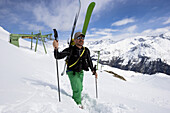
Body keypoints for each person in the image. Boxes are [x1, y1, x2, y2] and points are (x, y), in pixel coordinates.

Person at [53, 32, 98, 108]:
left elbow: (89, 61)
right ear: (75, 40)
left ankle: (77, 97)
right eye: (79, 38)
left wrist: (93, 70)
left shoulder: (86, 50)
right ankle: (78, 105)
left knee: (80, 88)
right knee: (77, 88)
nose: (81, 40)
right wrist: (56, 48)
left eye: (82, 38)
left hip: (80, 72)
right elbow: (58, 56)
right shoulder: (70, 50)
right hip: (72, 72)